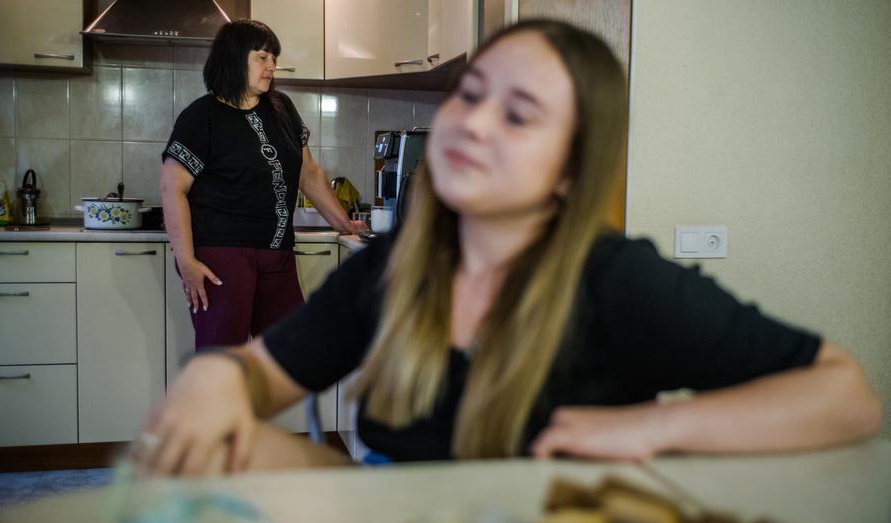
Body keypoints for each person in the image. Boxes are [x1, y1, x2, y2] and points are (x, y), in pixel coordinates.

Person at [137, 20, 881, 476]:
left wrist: (652, 427)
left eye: (519, 114)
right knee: (236, 455)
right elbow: (262, 377)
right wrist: (219, 385)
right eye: (473, 93)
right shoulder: (401, 270)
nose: (474, 123)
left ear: (568, 173)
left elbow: (843, 394)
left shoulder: (617, 281)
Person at [160, 20, 366, 348]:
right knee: (223, 360)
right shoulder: (202, 117)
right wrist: (186, 261)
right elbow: (173, 188)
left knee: (289, 352)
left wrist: (345, 224)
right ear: (234, 58)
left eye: (274, 57)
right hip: (222, 257)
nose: (272, 65)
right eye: (262, 57)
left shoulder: (282, 108)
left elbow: (308, 172)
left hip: (277, 254)